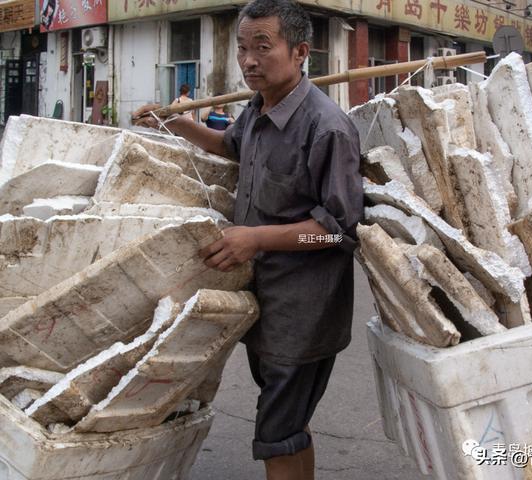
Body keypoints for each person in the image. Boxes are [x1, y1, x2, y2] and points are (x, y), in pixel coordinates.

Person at [135, 1, 362, 478]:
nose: (249, 60)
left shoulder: (327, 128)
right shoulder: (259, 108)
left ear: (300, 52)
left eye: (263, 47)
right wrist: (172, 122)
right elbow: (229, 145)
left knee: (275, 431)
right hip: (264, 301)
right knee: (287, 429)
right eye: (243, 48)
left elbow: (337, 227)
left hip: (304, 313)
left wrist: (255, 237)